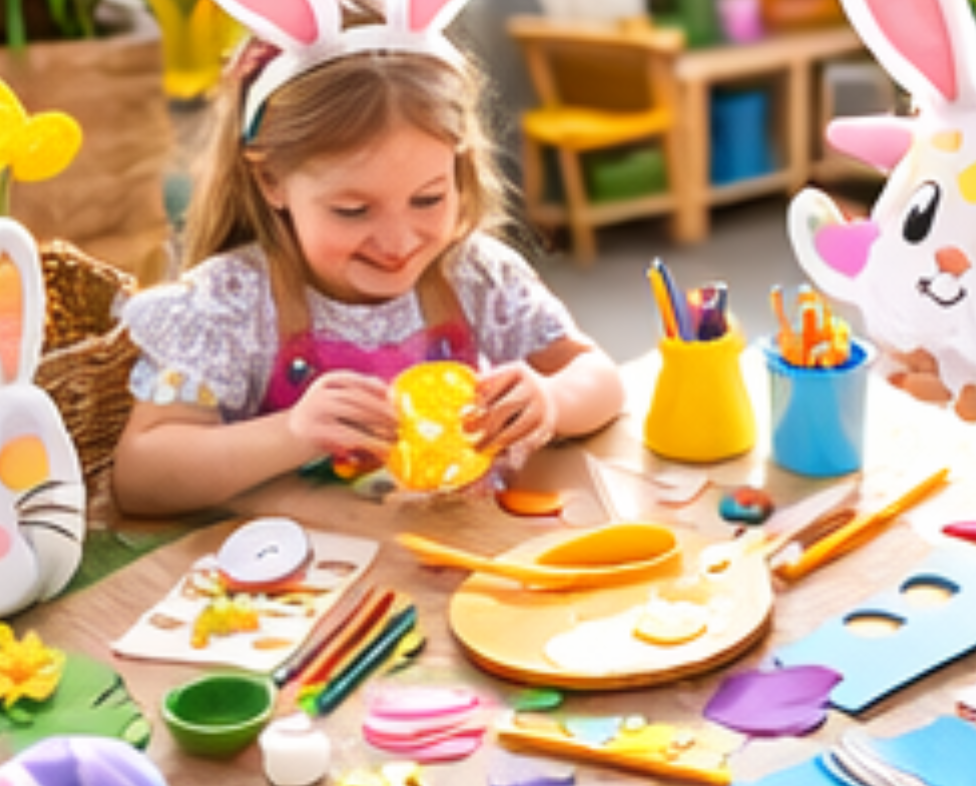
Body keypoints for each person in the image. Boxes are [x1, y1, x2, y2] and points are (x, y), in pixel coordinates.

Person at [112, 0, 624, 517]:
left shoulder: (475, 275)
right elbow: (140, 477)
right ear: (271, 181)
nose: (397, 243)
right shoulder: (230, 303)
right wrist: (291, 434)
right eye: (353, 211)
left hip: (469, 548)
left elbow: (599, 376)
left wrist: (553, 400)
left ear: (458, 166)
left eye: (428, 199)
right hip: (312, 562)